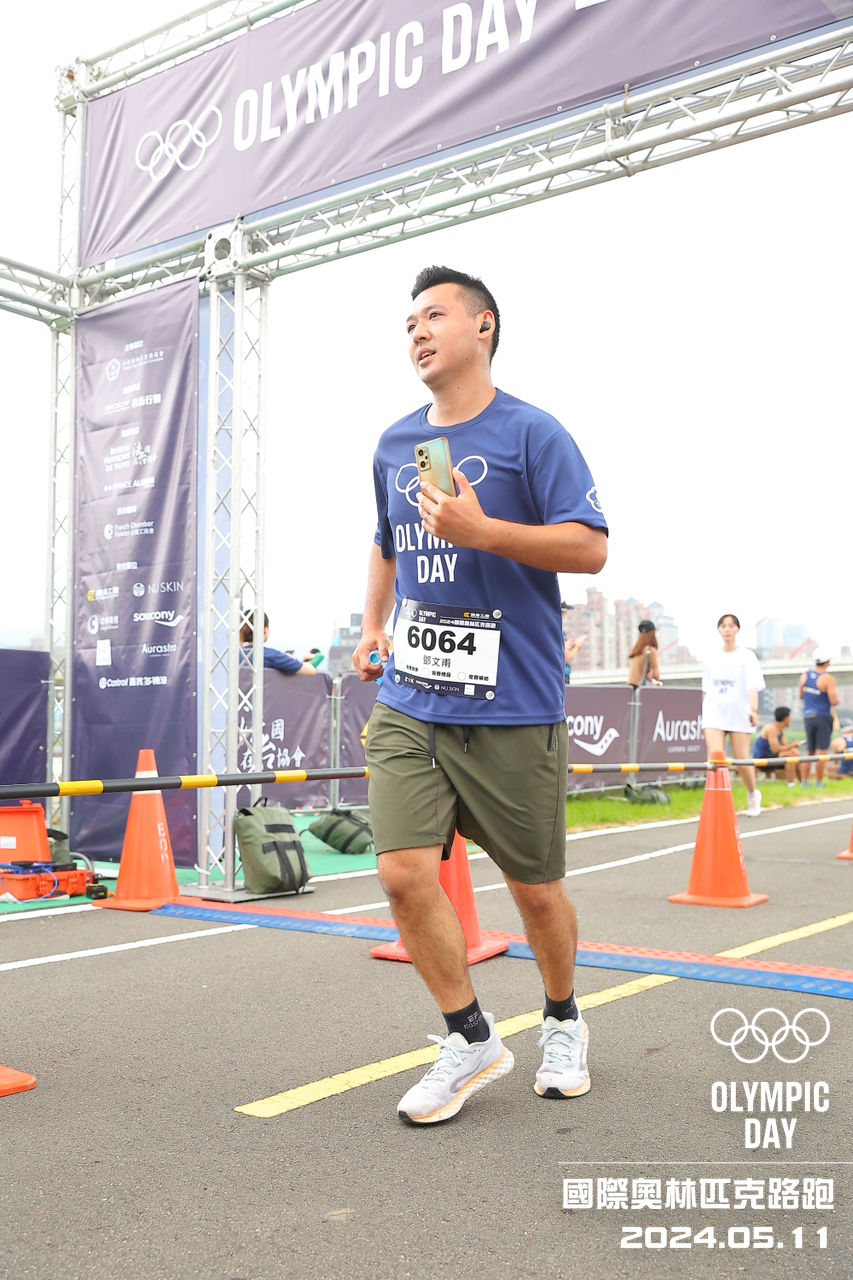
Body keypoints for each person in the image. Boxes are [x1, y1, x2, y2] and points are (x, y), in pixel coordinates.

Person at [353, 265, 608, 1125]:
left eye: (433, 316)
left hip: (513, 703)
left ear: (483, 326)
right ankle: (469, 1037)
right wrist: (372, 624)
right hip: (412, 698)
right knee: (400, 873)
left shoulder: (532, 433)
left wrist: (483, 531)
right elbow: (387, 542)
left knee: (534, 890)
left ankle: (562, 1018)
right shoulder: (395, 443)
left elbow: (589, 548)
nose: (418, 332)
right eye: (409, 324)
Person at [701, 613, 765, 816]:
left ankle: (753, 793)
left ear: (737, 629)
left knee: (741, 759)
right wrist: (703, 715)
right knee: (715, 757)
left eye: (731, 625)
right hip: (714, 712)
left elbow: (753, 686)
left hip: (739, 712)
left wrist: (753, 710)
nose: (727, 629)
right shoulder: (710, 657)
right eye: (723, 625)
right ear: (719, 630)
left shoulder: (747, 656)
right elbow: (706, 689)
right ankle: (718, 803)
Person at [798, 650, 839, 788]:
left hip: (807, 716)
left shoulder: (804, 675)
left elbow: (800, 696)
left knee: (809, 751)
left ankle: (804, 782)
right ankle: (819, 782)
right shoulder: (828, 678)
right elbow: (834, 701)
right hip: (822, 716)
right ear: (827, 662)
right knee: (821, 751)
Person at [239, 612, 319, 675]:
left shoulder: (236, 654)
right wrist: (290, 658)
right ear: (265, 630)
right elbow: (311, 670)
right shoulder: (272, 655)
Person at [752, 707, 805, 786]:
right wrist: (791, 746)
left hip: (771, 756)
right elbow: (775, 749)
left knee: (794, 754)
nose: (790, 720)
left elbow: (786, 746)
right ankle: (791, 784)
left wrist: (793, 750)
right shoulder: (771, 728)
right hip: (761, 759)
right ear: (785, 718)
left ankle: (803, 784)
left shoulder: (780, 730)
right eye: (790, 717)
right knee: (790, 757)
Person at [626, 619, 662, 689]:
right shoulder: (650, 650)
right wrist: (651, 676)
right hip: (642, 688)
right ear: (653, 633)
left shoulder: (635, 651)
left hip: (630, 688)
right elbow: (656, 674)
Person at [561, 604, 585, 684]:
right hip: (561, 675)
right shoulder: (559, 632)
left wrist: (567, 645)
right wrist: (578, 645)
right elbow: (566, 658)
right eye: (564, 612)